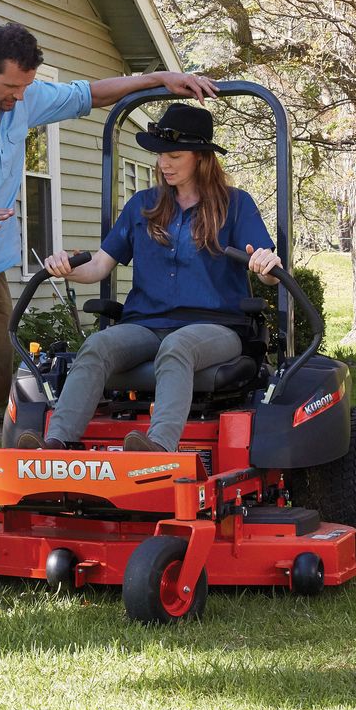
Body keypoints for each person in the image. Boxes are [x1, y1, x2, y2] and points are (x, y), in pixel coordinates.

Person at [0, 23, 217, 521]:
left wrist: (162, 78)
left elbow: (92, 93)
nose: (19, 97)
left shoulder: (23, 100)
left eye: (26, 87)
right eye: (12, 86)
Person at [33, 101, 282, 452]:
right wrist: (67, 268)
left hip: (218, 327)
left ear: (201, 157)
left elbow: (271, 274)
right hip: (146, 324)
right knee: (97, 346)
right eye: (160, 155)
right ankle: (55, 445)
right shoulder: (143, 205)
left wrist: (268, 265)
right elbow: (100, 265)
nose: (163, 163)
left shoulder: (235, 204)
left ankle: (159, 449)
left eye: (174, 156)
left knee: (176, 347)